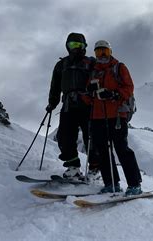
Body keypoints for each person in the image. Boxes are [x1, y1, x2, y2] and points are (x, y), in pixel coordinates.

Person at [86, 39, 142, 196]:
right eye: (99, 52)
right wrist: (89, 92)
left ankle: (134, 184)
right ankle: (111, 183)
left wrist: (114, 94)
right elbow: (88, 98)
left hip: (117, 115)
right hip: (97, 116)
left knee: (122, 149)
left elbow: (129, 87)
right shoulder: (93, 72)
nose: (102, 55)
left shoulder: (119, 67)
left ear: (110, 52)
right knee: (102, 151)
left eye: (105, 51)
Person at [46, 32, 100, 179]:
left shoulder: (91, 63)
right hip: (69, 105)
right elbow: (55, 86)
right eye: (72, 45)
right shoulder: (61, 65)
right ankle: (73, 166)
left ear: (84, 46)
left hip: (88, 104)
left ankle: (95, 167)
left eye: (79, 45)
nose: (75, 48)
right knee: (64, 136)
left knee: (92, 137)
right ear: (67, 46)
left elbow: (101, 79)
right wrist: (52, 102)